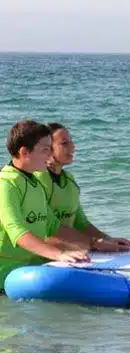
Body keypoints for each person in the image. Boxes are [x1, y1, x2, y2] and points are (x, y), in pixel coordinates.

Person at [0, 120, 91, 288]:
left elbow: (53, 226)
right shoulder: (6, 184)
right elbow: (17, 232)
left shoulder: (34, 182)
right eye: (45, 150)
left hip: (31, 272)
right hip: (6, 279)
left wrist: (94, 244)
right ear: (24, 152)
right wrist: (59, 254)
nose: (50, 155)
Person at [38, 124, 130, 252]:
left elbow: (81, 223)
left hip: (65, 253)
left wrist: (107, 240)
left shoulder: (69, 180)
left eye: (71, 141)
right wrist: (93, 244)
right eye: (64, 143)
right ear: (47, 149)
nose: (73, 147)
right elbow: (45, 232)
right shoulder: (37, 181)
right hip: (38, 258)